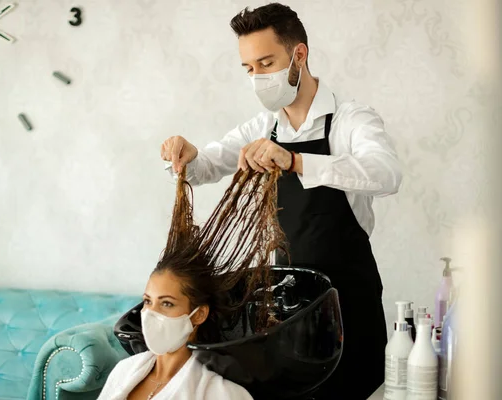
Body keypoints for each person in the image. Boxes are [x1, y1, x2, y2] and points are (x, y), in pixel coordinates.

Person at [160, 3, 403, 399]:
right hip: (287, 307)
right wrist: (185, 154)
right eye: (249, 68)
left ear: (299, 55)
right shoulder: (262, 127)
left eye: (266, 62)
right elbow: (205, 166)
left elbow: (386, 173)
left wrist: (295, 160)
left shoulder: (351, 119)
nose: (257, 77)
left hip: (349, 300)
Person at [100, 169, 284, 400]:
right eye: (148, 301)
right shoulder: (123, 372)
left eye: (167, 304)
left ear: (198, 315)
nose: (150, 314)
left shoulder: (222, 393)